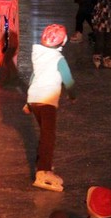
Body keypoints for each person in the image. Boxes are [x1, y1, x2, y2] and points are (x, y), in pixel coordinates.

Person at [24, 23, 75, 192]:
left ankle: (43, 164)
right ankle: (43, 171)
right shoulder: (58, 59)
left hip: (35, 100)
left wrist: (28, 102)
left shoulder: (38, 55)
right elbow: (67, 78)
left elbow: (34, 77)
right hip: (47, 102)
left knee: (44, 133)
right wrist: (72, 94)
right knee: (48, 137)